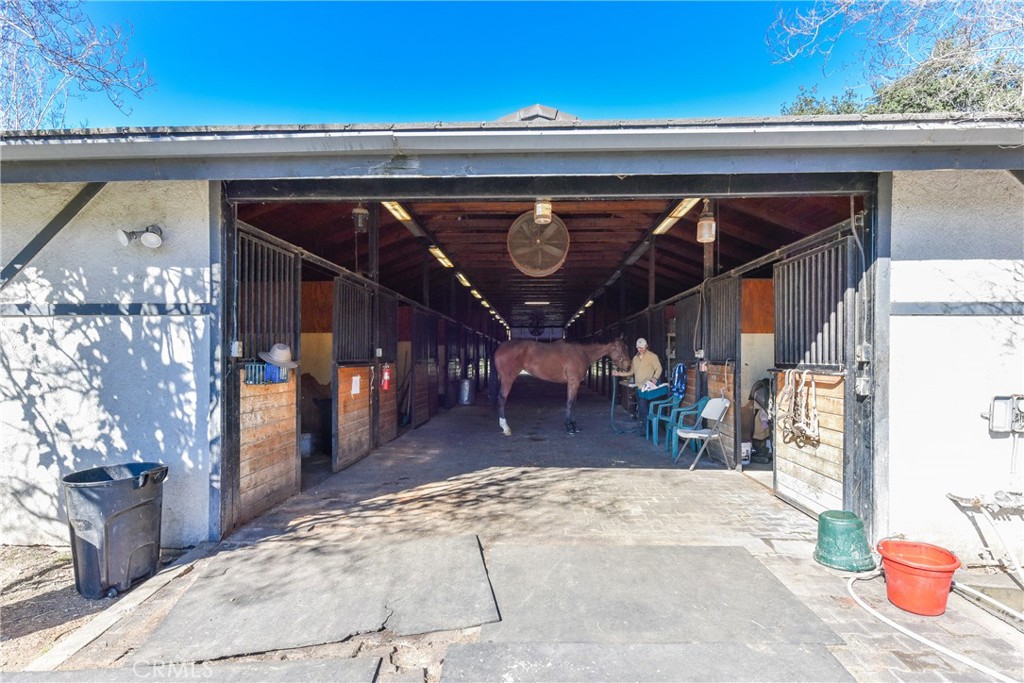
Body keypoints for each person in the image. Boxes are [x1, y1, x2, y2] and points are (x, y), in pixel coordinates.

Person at [613, 338, 663, 430]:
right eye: (639, 348)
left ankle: (651, 429)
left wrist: (655, 378)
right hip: (640, 388)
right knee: (642, 409)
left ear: (646, 346)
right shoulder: (635, 359)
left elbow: (659, 368)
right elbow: (631, 372)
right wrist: (619, 374)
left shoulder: (652, 356)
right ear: (637, 348)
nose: (641, 349)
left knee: (651, 409)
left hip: (649, 388)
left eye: (642, 347)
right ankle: (646, 428)